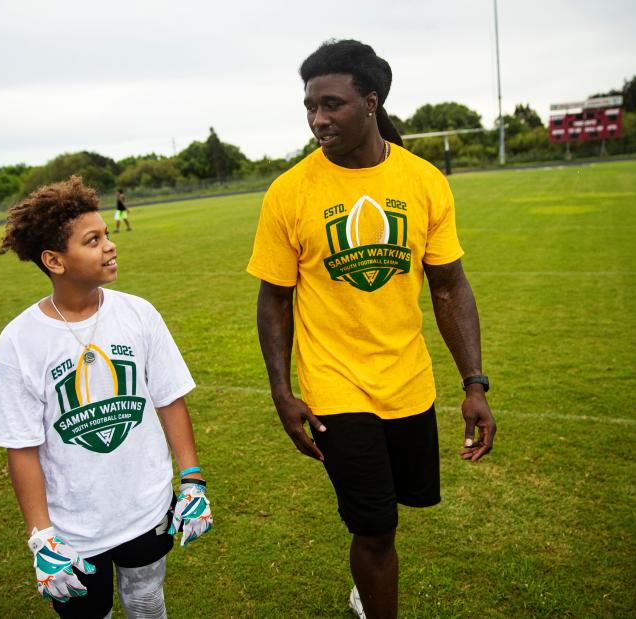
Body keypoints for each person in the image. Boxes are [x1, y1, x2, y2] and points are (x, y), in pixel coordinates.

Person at [246, 39, 497, 619]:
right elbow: (274, 301)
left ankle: (368, 583)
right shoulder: (289, 192)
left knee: (399, 510)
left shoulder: (424, 181)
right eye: (310, 106)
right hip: (335, 385)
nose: (317, 119)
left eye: (331, 104)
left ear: (371, 102)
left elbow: (450, 286)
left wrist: (475, 383)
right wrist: (283, 392)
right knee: (376, 526)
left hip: (408, 379)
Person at [0, 176, 212, 618]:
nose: (109, 246)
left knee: (147, 600)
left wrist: (193, 478)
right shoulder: (19, 341)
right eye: (93, 240)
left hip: (145, 506)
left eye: (107, 234)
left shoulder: (138, 313)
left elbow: (169, 399)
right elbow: (21, 446)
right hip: (73, 526)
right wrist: (42, 536)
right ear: (54, 260)